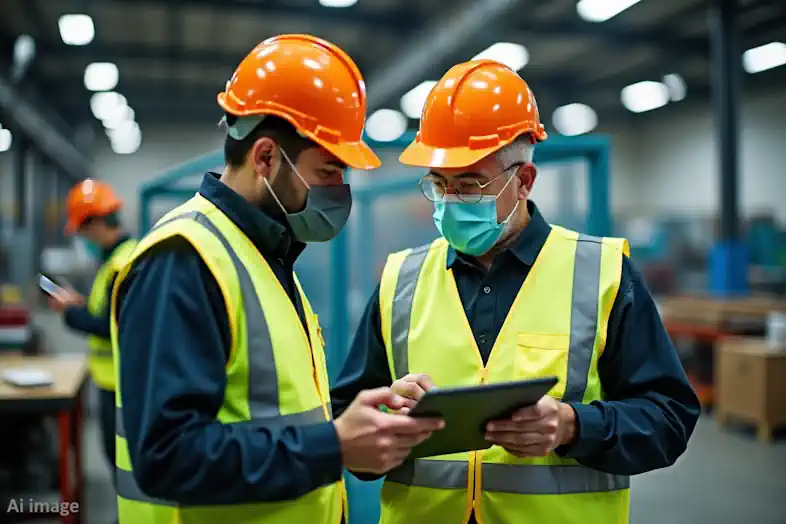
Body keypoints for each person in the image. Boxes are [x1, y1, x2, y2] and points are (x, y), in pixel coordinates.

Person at [330, 60, 701, 524]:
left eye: (468, 185)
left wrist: (572, 426)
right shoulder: (400, 278)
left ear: (523, 180)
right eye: (439, 185)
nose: (449, 202)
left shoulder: (602, 273)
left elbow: (668, 419)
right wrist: (386, 413)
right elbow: (345, 424)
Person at [109, 34, 443, 524]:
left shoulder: (265, 254)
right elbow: (167, 456)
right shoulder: (184, 260)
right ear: (265, 157)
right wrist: (332, 444)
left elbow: (269, 418)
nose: (340, 190)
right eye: (328, 170)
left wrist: (358, 423)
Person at [48, 179, 137, 497]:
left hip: (120, 386)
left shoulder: (121, 265)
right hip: (113, 383)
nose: (83, 238)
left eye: (83, 230)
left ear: (97, 223)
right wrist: (80, 306)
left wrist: (70, 313)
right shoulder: (116, 260)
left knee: (123, 468)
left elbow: (110, 327)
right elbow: (110, 314)